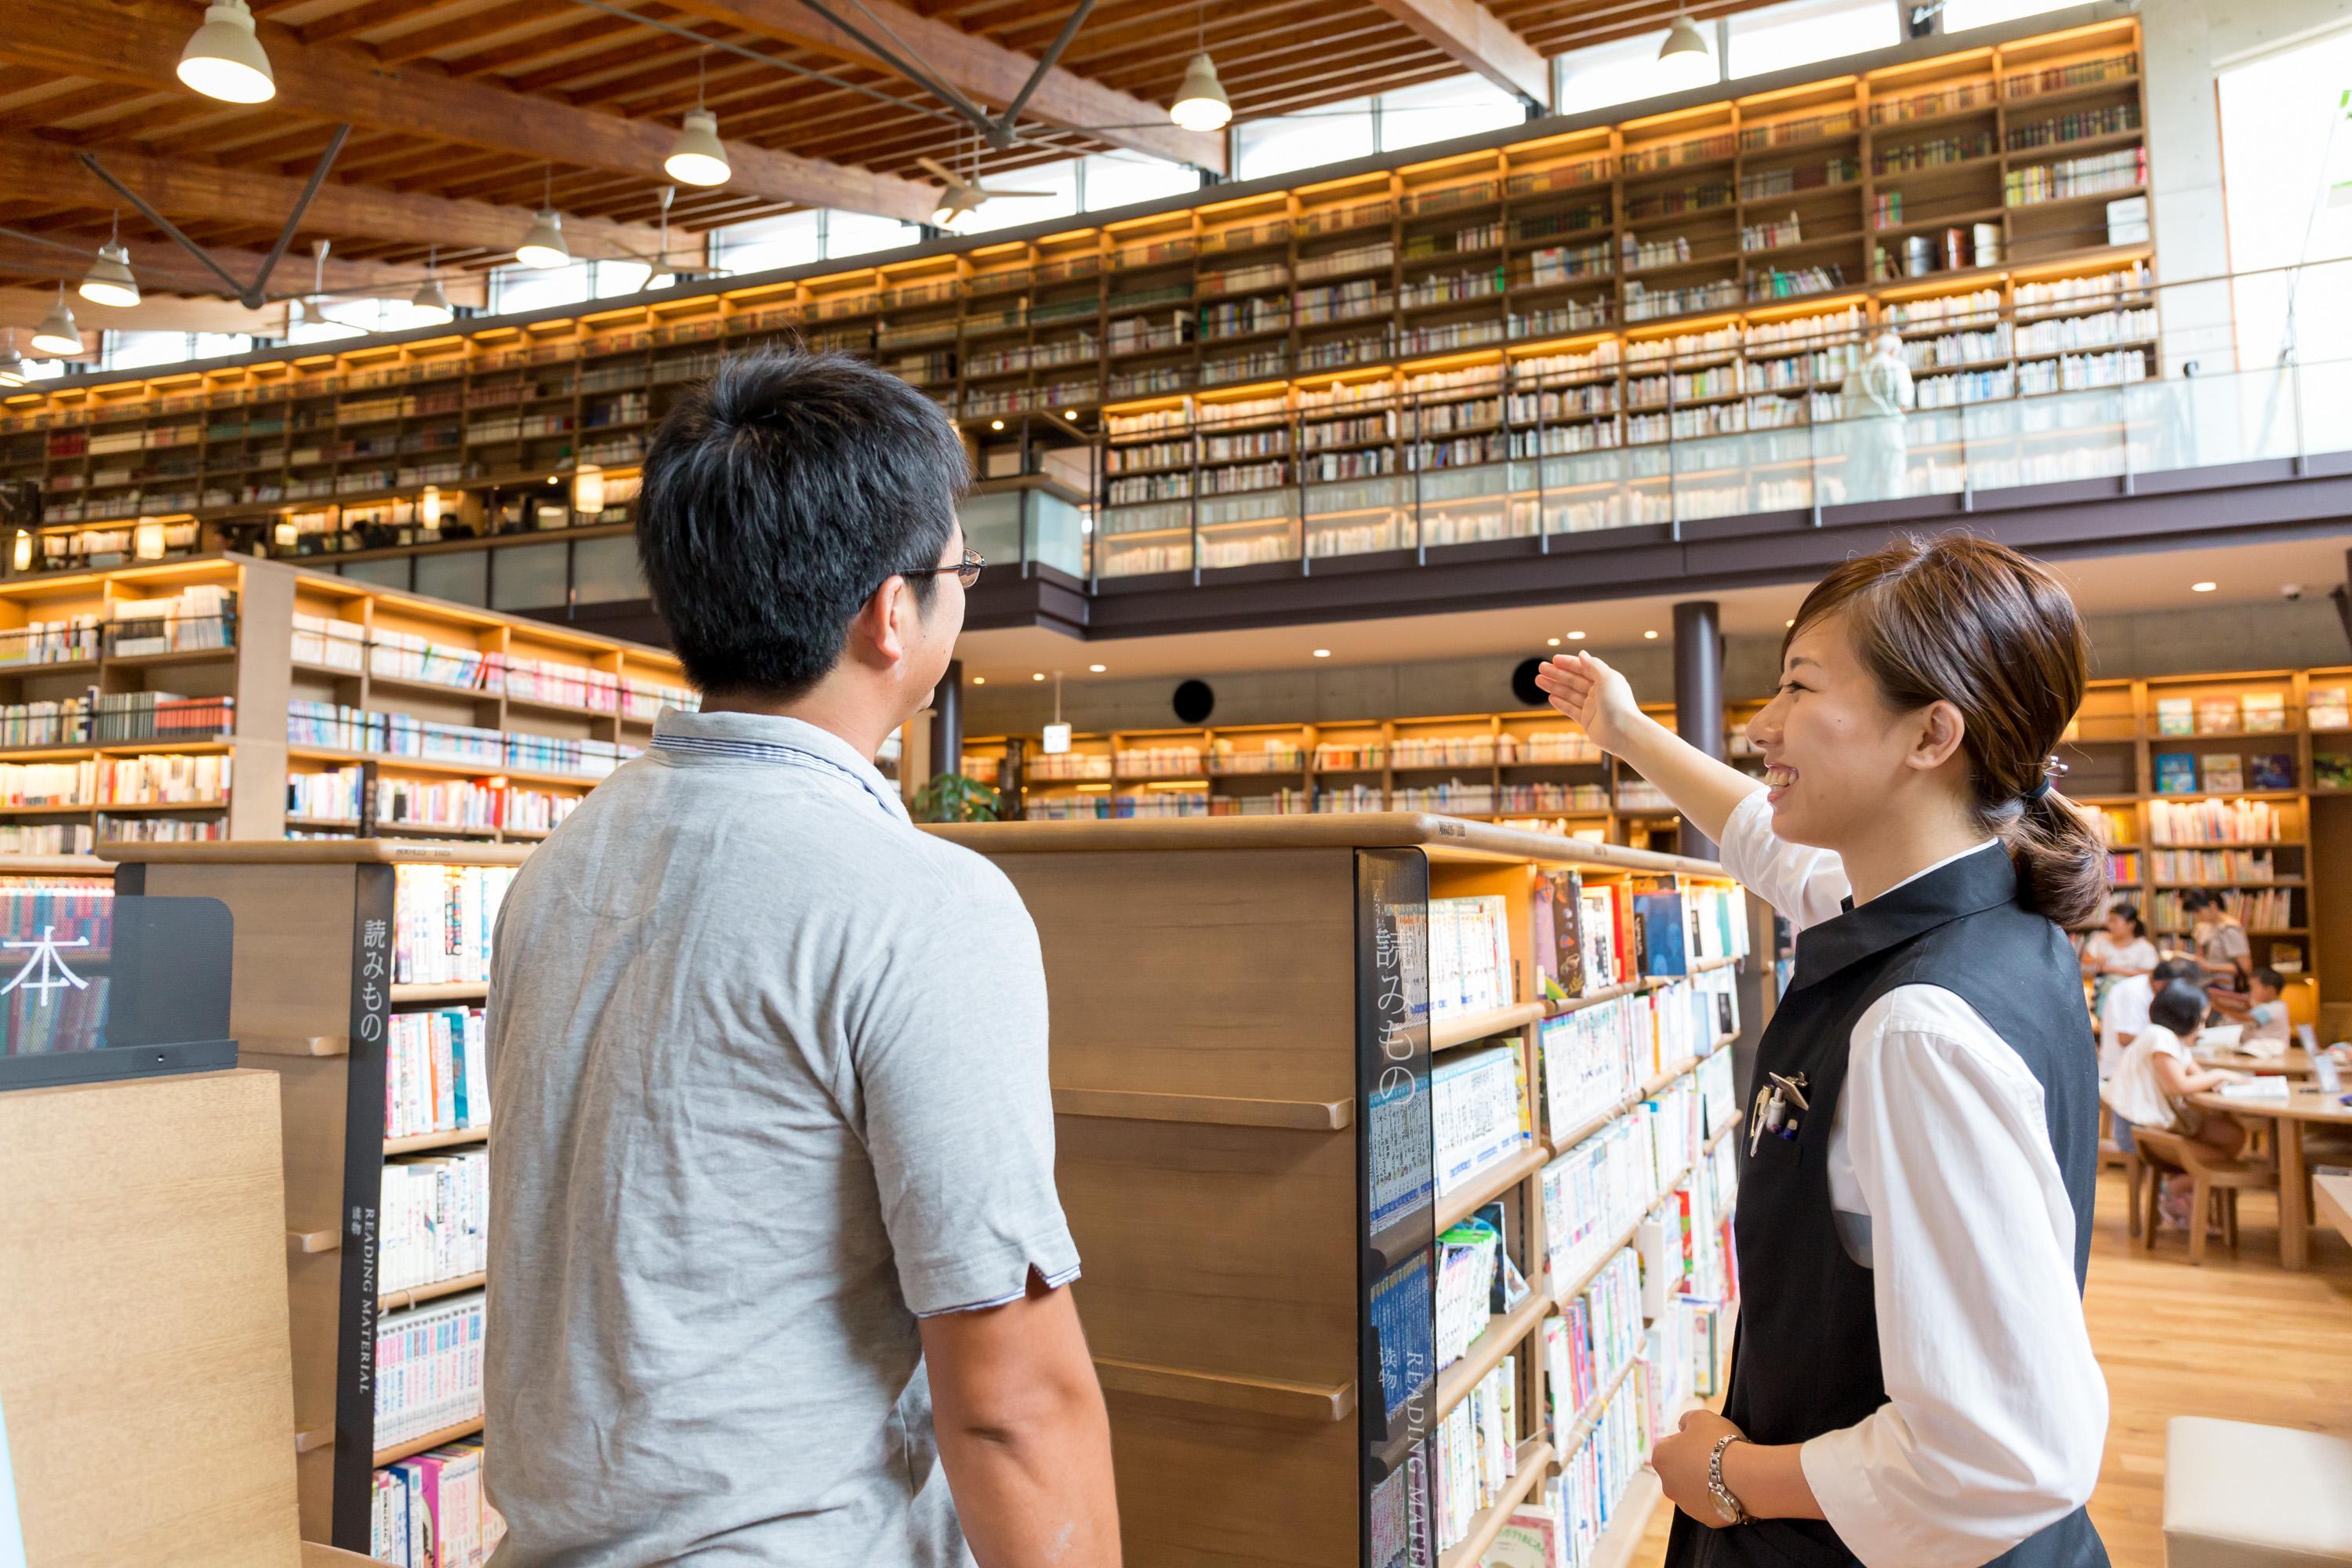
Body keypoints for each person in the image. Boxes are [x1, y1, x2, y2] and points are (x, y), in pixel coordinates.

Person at [483, 351, 1119, 1567]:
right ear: (892, 611)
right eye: (957, 571)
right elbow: (1011, 1404)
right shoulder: (923, 904)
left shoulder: (561, 865)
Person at [1537, 533, 2107, 1567]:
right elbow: (1762, 837)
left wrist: (1725, 1474)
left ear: (1932, 733)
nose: (1763, 727)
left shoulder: (1918, 1030)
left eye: (1800, 687)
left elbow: (2007, 1456)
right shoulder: (1989, 917)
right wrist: (1625, 732)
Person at [2100, 979, 2249, 1226]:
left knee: (2231, 1135)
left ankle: (2181, 1199)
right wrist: (2220, 1075)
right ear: (2184, 1018)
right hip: (2140, 1132)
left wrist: (2213, 1079)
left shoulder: (2172, 1042)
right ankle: (2171, 1191)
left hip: (2156, 1125)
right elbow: (2179, 1085)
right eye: (2200, 1021)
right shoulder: (2159, 1038)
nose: (2202, 1029)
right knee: (2222, 1158)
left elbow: (2196, 1077)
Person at [1838, 329, 1915, 503]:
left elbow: (1846, 409)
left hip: (1860, 432)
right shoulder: (1897, 367)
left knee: (1859, 483)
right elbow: (1904, 401)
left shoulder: (1855, 373)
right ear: (1893, 350)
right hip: (1889, 429)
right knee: (1892, 478)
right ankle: (1894, 523)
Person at [2100, 953, 2203, 1080]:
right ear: (2164, 983)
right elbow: (2125, 1038)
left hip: (2144, 1074)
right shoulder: (2132, 992)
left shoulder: (2155, 992)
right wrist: (2172, 1044)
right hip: (2121, 1076)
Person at [2181, 889, 2252, 992]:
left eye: (2198, 912)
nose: (2196, 916)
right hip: (2206, 982)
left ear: (2213, 905)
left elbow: (2245, 968)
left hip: (2226, 987)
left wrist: (2211, 967)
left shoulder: (2230, 928)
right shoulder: (2202, 926)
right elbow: (2200, 955)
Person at [2243, 967, 2293, 1047]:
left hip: (2273, 1052)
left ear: (2270, 990)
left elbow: (2246, 1018)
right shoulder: (2268, 1007)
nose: (2251, 992)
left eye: (2254, 988)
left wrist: (2219, 1006)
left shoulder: (2275, 1008)